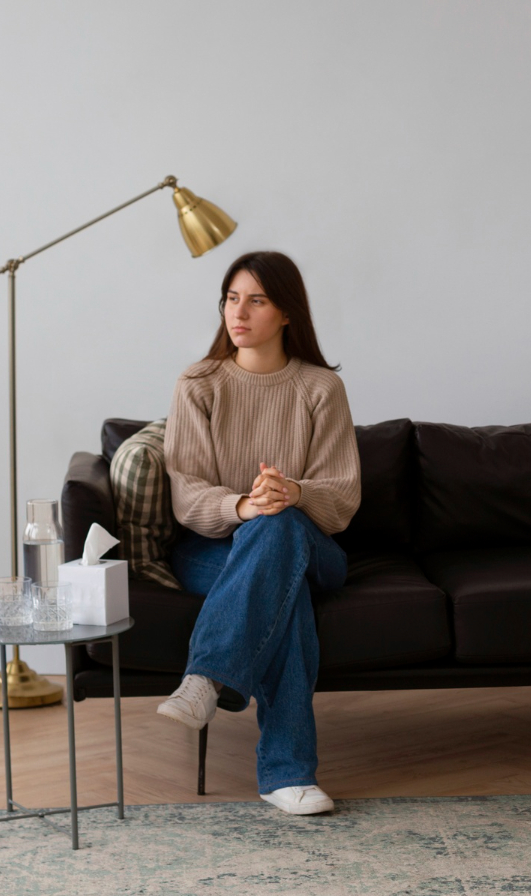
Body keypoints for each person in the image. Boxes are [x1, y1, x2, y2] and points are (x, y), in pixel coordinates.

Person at [156, 250, 361, 816]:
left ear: (287, 312)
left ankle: (207, 676)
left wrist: (293, 493)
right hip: (213, 546)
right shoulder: (199, 384)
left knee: (281, 527)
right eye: (230, 297)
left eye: (256, 299)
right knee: (281, 589)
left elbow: (341, 497)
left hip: (312, 543)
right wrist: (244, 505)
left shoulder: (321, 388)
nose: (237, 311)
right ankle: (287, 775)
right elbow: (186, 491)